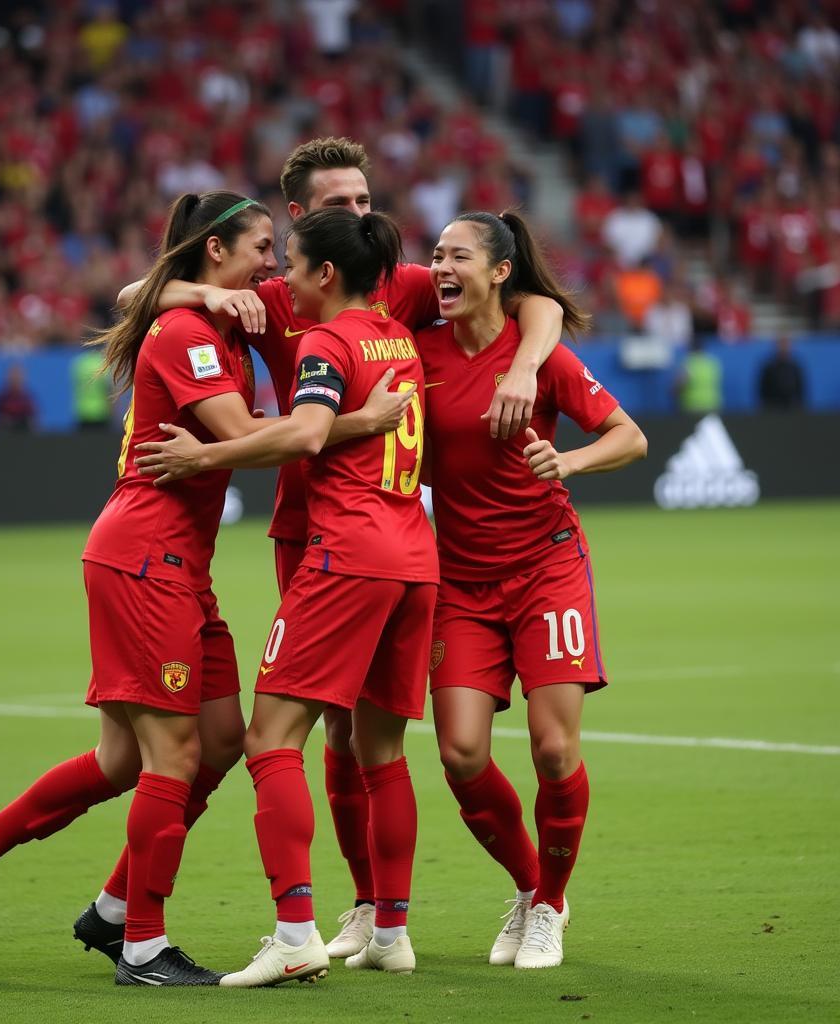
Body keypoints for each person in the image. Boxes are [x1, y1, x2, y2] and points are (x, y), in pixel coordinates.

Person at [120, 136, 565, 959]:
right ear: (299, 218)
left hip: (342, 536)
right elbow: (137, 293)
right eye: (340, 205)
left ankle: (304, 925)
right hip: (377, 538)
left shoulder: (370, 287)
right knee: (353, 737)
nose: (361, 215)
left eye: (364, 201)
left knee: (292, 733)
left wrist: (526, 367)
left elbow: (533, 295)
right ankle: (377, 917)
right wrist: (203, 294)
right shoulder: (284, 287)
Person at [0, 190, 285, 987]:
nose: (273, 259)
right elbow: (245, 439)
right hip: (146, 559)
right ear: (217, 251)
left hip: (179, 564)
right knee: (174, 754)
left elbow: (145, 291)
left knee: (189, 747)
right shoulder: (186, 331)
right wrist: (346, 425)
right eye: (261, 244)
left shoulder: (217, 317)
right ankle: (142, 946)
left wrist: (203, 291)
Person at [137, 208, 438, 985]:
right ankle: (391, 932)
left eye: (294, 266)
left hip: (348, 555)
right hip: (414, 555)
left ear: (326, 274)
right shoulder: (396, 335)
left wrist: (207, 457)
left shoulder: (327, 342)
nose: (285, 283)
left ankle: (296, 929)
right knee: (383, 752)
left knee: (270, 741)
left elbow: (305, 435)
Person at [418, 210, 647, 969]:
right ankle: (530, 887)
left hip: (547, 567)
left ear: (499, 272)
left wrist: (571, 463)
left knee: (553, 750)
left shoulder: (542, 355)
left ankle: (550, 906)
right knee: (459, 752)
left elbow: (629, 435)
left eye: (456, 255)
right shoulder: (421, 352)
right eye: (435, 255)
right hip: (460, 580)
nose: (439, 267)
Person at [758, 336, 805, 411]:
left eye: (786, 345)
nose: (784, 348)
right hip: (772, 408)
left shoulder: (795, 368)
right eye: (781, 345)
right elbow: (763, 389)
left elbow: (801, 388)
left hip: (792, 407)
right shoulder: (769, 368)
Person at [0, 363, 37, 432]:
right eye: (13, 376)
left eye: (18, 377)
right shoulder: (2, 397)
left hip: (24, 429)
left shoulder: (27, 397)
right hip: (7, 429)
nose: (15, 379)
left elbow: (32, 417)